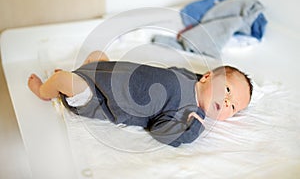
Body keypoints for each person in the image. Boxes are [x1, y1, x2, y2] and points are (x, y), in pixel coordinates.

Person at [28, 51, 252, 147]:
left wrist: (194, 127)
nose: (226, 102)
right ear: (206, 77)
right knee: (96, 56)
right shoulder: (189, 78)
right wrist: (199, 80)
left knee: (64, 80)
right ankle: (74, 78)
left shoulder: (188, 113)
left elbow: (160, 130)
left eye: (233, 107)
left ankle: (45, 90)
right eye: (228, 90)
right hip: (110, 73)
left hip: (103, 100)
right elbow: (175, 71)